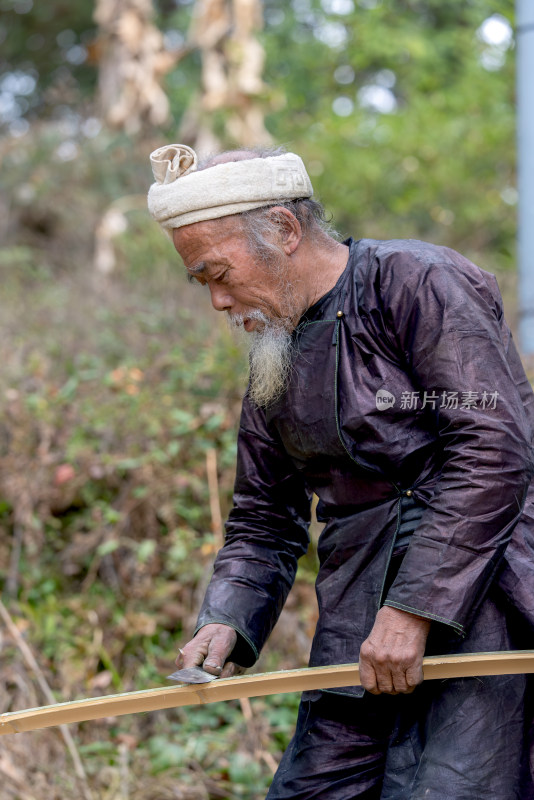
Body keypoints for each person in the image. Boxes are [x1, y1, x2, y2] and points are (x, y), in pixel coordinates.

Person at [148, 142, 534, 799]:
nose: (216, 301)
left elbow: (491, 449)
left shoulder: (418, 281)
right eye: (201, 283)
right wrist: (226, 619)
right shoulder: (274, 354)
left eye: (218, 273)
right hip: (357, 628)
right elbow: (263, 517)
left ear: (284, 230)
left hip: (480, 608)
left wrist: (414, 611)